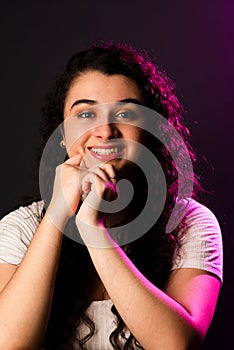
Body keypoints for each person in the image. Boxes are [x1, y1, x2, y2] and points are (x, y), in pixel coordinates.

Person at [0, 41, 223, 350]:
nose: (105, 131)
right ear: (62, 135)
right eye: (86, 114)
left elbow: (174, 345)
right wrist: (57, 216)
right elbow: (8, 344)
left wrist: (94, 228)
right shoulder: (20, 228)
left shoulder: (189, 223)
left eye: (124, 113)